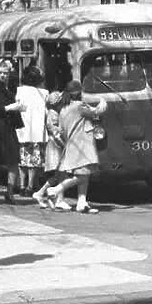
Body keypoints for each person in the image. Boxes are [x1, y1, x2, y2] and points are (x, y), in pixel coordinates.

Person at [45, 80, 107, 214]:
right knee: (82, 176)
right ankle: (56, 189)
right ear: (79, 93)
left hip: (72, 145)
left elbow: (61, 130)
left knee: (83, 174)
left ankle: (81, 202)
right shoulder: (80, 106)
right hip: (83, 144)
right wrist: (103, 102)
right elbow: (96, 112)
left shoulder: (63, 110)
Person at [0, 59, 26, 203]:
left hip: (9, 127)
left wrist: (19, 107)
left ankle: (9, 192)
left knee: (13, 161)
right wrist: (10, 108)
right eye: (1, 73)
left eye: (5, 73)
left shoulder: (11, 86)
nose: (3, 75)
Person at [16, 65, 49, 196]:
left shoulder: (20, 91)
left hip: (22, 130)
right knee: (34, 161)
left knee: (22, 160)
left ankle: (22, 185)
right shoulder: (44, 93)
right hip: (37, 131)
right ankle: (31, 186)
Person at [32, 91, 68, 210]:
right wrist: (65, 145)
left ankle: (42, 194)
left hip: (55, 146)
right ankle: (59, 199)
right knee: (61, 173)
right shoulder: (53, 115)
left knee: (58, 175)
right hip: (55, 147)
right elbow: (56, 133)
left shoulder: (54, 113)